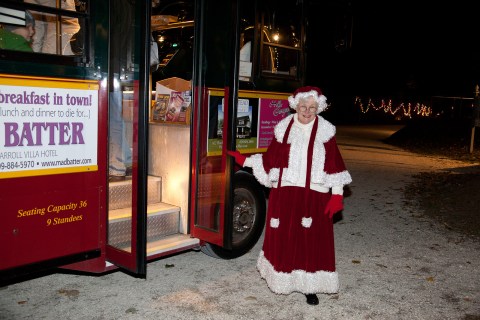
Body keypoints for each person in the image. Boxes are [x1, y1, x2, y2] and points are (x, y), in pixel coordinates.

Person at [228, 86, 352, 305]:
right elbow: (270, 159)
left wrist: (336, 195)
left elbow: (335, 165)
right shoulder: (283, 129)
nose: (307, 111)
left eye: (312, 108)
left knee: (310, 241)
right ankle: (282, 279)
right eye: (304, 107)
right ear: (296, 106)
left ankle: (309, 286)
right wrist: (244, 160)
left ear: (319, 108)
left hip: (314, 194)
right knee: (286, 237)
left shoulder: (325, 131)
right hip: (285, 192)